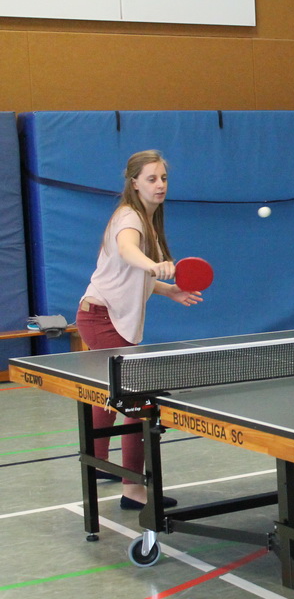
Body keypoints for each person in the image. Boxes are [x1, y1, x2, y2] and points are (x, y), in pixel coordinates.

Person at [75, 150, 203, 510]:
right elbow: (128, 250)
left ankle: (99, 460)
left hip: (101, 316)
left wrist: (168, 289)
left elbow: (133, 275)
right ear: (134, 183)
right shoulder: (129, 218)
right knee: (139, 402)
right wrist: (153, 264)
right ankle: (133, 489)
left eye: (163, 178)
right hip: (103, 319)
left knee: (111, 392)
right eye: (151, 178)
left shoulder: (149, 220)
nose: (160, 185)